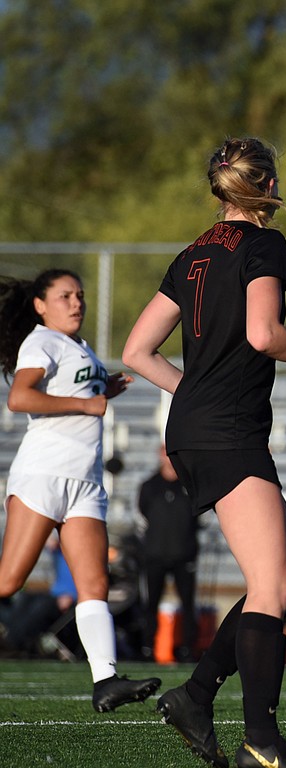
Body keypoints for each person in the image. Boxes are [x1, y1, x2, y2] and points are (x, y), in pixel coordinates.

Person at [122, 136, 286, 768]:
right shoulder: (264, 245)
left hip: (198, 425)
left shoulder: (191, 254)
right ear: (264, 184)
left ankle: (195, 694)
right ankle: (260, 740)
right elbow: (264, 334)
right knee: (272, 584)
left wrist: (195, 395)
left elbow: (136, 351)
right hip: (227, 430)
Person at [0, 268, 161, 712]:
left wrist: (103, 388)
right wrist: (87, 402)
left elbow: (74, 391)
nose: (76, 303)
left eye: (81, 295)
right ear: (40, 305)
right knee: (9, 579)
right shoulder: (42, 341)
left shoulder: (79, 347)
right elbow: (20, 398)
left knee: (95, 584)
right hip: (45, 475)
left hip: (85, 482)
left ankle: (106, 680)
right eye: (65, 295)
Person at [137, 445, 202, 663]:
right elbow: (143, 512)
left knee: (188, 603)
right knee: (150, 604)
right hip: (155, 554)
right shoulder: (149, 486)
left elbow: (198, 515)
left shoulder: (190, 485)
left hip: (184, 554)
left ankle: (186, 648)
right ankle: (148, 647)